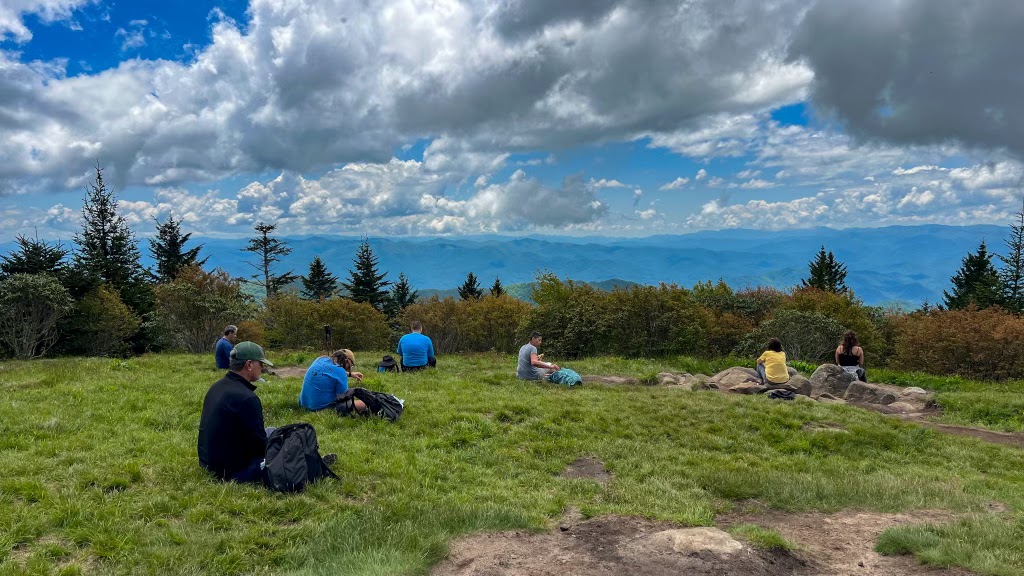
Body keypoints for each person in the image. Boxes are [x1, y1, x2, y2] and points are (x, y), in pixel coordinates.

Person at [198, 341, 275, 483]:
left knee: (273, 432)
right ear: (249, 365)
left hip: (208, 463)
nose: (263, 368)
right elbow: (258, 446)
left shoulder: (216, 387)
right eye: (261, 364)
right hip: (233, 471)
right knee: (283, 442)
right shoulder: (247, 398)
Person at [299, 349, 367, 413]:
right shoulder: (340, 372)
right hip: (318, 409)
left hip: (303, 404)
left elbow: (329, 371)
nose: (348, 368)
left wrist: (350, 374)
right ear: (347, 361)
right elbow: (343, 399)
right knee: (363, 403)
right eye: (350, 366)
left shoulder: (320, 359)